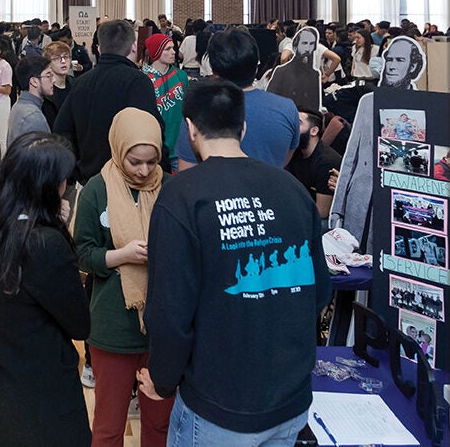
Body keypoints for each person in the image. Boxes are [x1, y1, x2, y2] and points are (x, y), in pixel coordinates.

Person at [138, 80, 331, 445]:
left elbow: (169, 309)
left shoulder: (182, 196)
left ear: (191, 129)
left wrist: (163, 380)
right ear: (243, 128)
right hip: (290, 401)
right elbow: (319, 292)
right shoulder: (291, 189)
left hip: (217, 405)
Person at [0, 132, 91, 446]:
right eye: (63, 180)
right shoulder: (44, 244)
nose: (67, 186)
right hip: (38, 398)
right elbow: (80, 324)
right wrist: (61, 228)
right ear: (46, 187)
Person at [74, 108, 173, 446]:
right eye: (135, 162)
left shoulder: (170, 188)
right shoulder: (97, 190)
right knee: (108, 427)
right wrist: (123, 256)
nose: (145, 171)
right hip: (112, 327)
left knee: (159, 424)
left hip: (160, 329)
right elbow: (82, 253)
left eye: (151, 161)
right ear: (118, 151)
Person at [54, 19, 163, 185]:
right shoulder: (138, 81)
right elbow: (153, 130)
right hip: (130, 181)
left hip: (89, 180)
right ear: (134, 46)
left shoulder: (80, 83)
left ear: (99, 48)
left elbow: (61, 130)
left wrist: (78, 170)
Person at [175, 27, 300, 171]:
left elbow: (187, 173)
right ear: (256, 66)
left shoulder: (197, 113)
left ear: (214, 71)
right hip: (272, 190)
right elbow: (283, 160)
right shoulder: (287, 109)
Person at [142, 33, 189, 172]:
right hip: (155, 148)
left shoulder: (181, 76)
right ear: (156, 52)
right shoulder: (144, 79)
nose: (173, 52)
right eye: (167, 49)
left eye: (173, 48)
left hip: (178, 147)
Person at [286, 112, 341, 223]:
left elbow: (322, 212)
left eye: (299, 123)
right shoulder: (295, 153)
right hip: (300, 208)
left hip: (317, 220)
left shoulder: (327, 162)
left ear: (314, 131)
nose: (293, 127)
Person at [8, 55, 54, 143]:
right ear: (34, 81)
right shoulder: (33, 117)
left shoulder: (19, 106)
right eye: (48, 76)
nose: (54, 80)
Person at [42, 41, 77, 128]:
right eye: (56, 58)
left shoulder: (76, 84)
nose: (63, 61)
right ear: (48, 63)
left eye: (66, 57)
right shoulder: (45, 90)